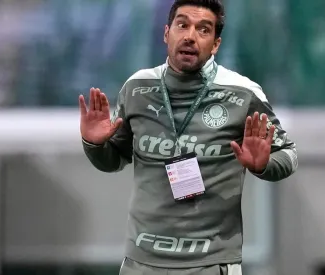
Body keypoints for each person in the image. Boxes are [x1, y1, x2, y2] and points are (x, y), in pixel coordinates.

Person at [78, 0, 298, 274]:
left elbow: (288, 154)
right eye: (182, 25)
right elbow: (113, 160)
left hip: (211, 263)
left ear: (216, 44)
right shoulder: (137, 88)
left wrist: (263, 166)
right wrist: (94, 144)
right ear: (166, 33)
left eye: (203, 30)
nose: (190, 36)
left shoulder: (243, 93)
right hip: (141, 262)